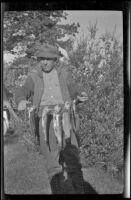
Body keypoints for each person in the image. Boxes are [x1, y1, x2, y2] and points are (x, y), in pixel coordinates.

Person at [15, 43, 88, 194]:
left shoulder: (64, 74)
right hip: (45, 121)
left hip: (65, 118)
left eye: (48, 59)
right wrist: (21, 100)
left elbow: (74, 88)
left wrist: (80, 94)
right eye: (41, 58)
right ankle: (58, 191)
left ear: (55, 59)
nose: (45, 62)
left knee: (73, 160)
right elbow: (23, 90)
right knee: (52, 163)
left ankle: (80, 191)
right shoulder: (34, 76)